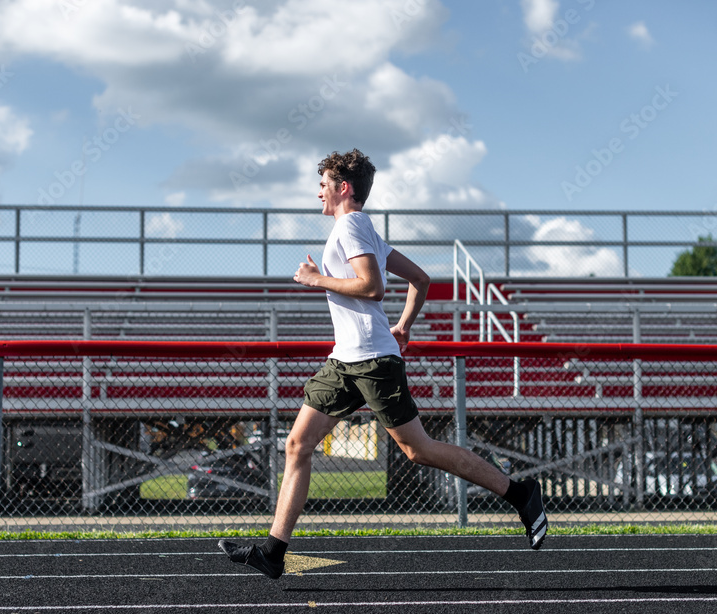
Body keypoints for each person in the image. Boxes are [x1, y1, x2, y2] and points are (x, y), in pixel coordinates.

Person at [219, 149, 546, 579]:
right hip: (346, 359)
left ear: (343, 188)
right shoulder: (363, 229)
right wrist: (404, 326)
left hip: (372, 360)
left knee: (418, 449)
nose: (318, 192)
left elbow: (372, 287)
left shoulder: (352, 224)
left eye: (323, 184)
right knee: (297, 444)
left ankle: (521, 494)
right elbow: (420, 280)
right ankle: (273, 553)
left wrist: (316, 279)